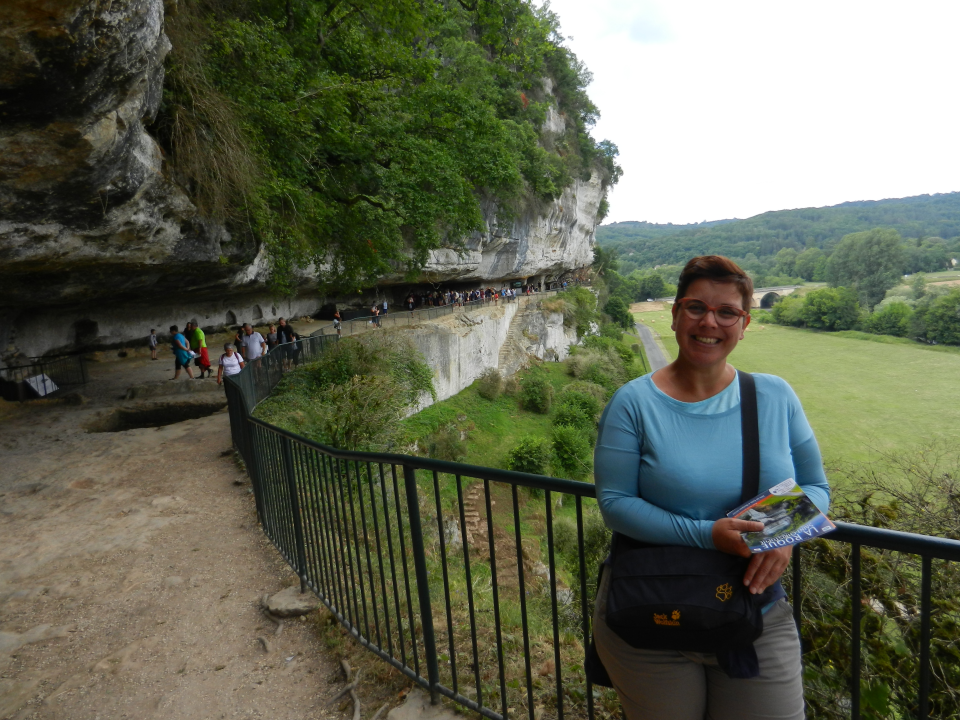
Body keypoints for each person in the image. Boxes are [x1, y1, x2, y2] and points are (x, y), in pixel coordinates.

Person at [592, 255, 830, 720]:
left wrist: (779, 536)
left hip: (755, 609)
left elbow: (816, 487)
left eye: (726, 312)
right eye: (696, 307)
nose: (710, 322)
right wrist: (707, 534)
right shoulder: (634, 403)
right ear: (677, 314)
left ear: (744, 323)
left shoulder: (774, 395)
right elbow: (615, 505)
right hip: (651, 612)